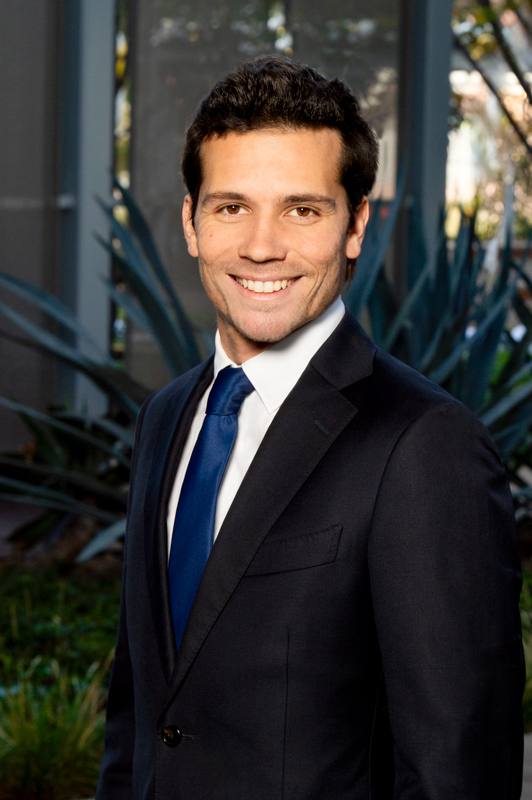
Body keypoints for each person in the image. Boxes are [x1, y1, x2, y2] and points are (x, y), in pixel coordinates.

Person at [96, 56, 524, 799]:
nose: (262, 246)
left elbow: (455, 767)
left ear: (355, 225)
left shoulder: (425, 445)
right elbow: (141, 708)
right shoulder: (165, 418)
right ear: (192, 221)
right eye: (232, 207)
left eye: (302, 210)